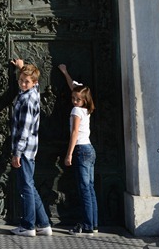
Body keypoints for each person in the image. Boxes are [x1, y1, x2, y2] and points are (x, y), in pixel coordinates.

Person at [10, 58, 52, 237]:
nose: (22, 83)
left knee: (25, 187)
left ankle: (28, 225)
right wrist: (22, 67)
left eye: (26, 81)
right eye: (20, 80)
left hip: (24, 150)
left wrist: (17, 153)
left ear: (34, 83)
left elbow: (24, 130)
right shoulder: (34, 93)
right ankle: (43, 224)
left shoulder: (27, 100)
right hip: (31, 149)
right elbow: (30, 82)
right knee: (30, 186)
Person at [58, 63, 98, 236]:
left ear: (84, 100)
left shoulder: (76, 110)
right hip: (90, 149)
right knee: (90, 188)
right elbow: (75, 88)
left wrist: (69, 154)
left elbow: (74, 133)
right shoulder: (86, 109)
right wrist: (66, 72)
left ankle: (87, 225)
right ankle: (94, 224)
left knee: (84, 190)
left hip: (81, 150)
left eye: (77, 99)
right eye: (73, 98)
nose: (74, 101)